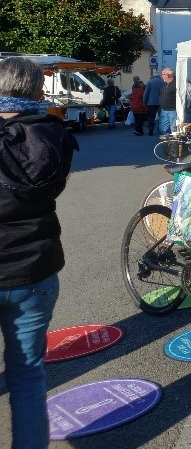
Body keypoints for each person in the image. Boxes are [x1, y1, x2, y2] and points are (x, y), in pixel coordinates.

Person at [0, 56, 79, 449]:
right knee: (28, 377)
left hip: (24, 265)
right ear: (35, 90)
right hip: (35, 269)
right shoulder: (53, 134)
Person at [156, 68, 177, 135]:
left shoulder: (176, 83)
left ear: (168, 75)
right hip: (164, 109)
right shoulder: (165, 84)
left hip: (172, 110)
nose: (161, 76)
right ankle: (167, 141)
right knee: (162, 129)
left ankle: (172, 143)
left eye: (163, 74)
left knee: (173, 129)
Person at [143, 71, 164, 136]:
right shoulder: (163, 82)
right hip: (161, 102)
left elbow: (146, 93)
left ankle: (150, 129)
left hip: (151, 103)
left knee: (151, 117)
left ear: (153, 76)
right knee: (161, 117)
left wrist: (144, 102)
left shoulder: (150, 82)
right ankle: (160, 130)